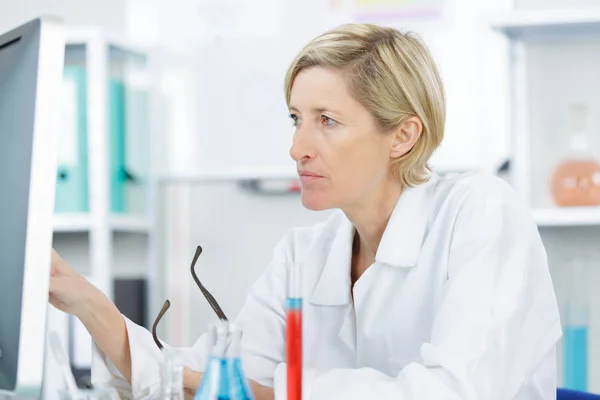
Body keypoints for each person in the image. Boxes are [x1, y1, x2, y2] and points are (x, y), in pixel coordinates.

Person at [49, 23, 562, 400]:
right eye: (296, 118)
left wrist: (266, 391)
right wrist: (93, 309)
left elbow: (453, 392)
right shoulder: (304, 254)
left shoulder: (481, 216)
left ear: (403, 135)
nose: (298, 147)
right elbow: (213, 376)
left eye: (328, 121)